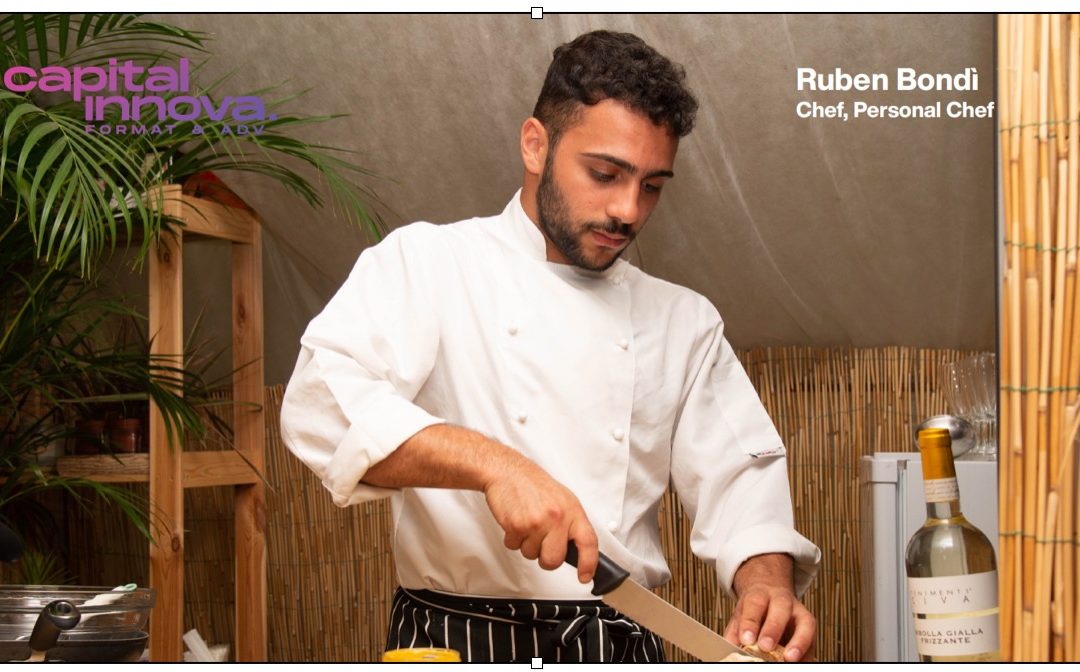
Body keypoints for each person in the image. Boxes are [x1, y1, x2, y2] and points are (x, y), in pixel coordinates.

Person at [281, 29, 820, 663]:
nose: (627, 210)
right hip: (451, 639)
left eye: (652, 185)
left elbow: (740, 477)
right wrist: (495, 466)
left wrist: (766, 581)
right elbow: (321, 406)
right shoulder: (429, 263)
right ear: (535, 145)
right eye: (605, 173)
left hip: (615, 641)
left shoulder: (683, 321)